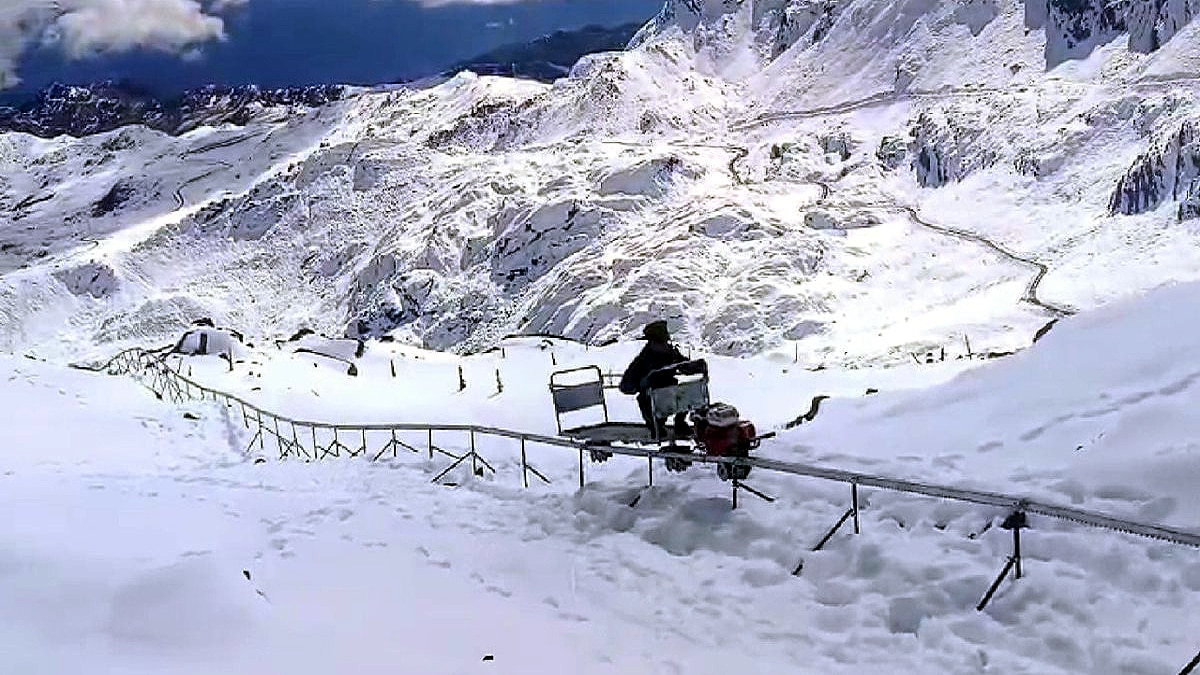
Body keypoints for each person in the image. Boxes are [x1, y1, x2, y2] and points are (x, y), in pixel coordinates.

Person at [618, 320, 697, 439]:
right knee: (646, 398)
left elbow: (685, 366)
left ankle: (678, 423)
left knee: (687, 391)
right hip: (653, 402)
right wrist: (642, 384)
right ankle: (657, 427)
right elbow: (625, 385)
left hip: (671, 396)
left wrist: (694, 366)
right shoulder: (643, 360)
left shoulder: (671, 353)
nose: (664, 345)